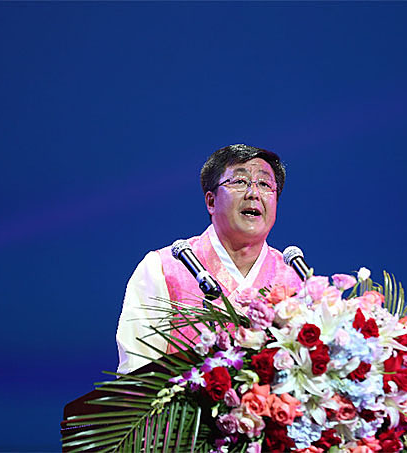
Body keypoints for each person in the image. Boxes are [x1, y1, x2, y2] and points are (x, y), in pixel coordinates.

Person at [115, 144, 302, 374]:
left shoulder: (295, 279)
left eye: (264, 184)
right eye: (240, 181)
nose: (253, 193)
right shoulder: (162, 269)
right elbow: (138, 374)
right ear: (211, 201)